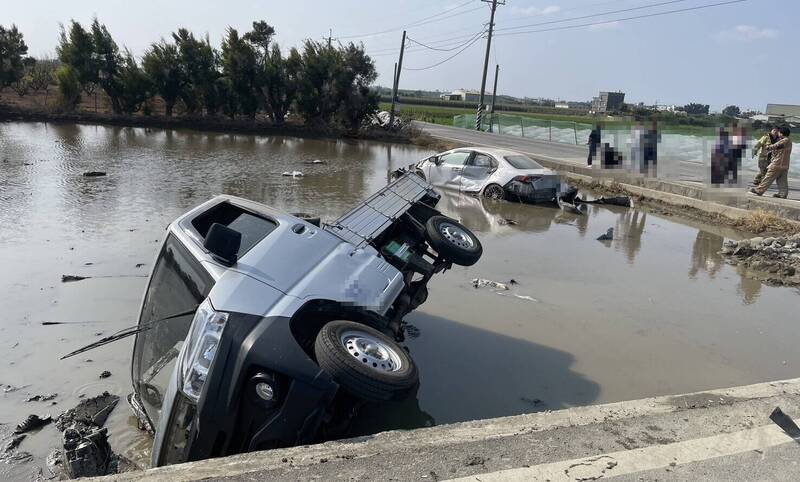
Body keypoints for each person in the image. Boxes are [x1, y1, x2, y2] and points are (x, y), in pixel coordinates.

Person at [750, 126, 792, 198]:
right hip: (784, 165)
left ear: (781, 133)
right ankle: (782, 194)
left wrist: (768, 147)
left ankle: (759, 190)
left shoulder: (784, 140)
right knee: (782, 180)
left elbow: (774, 146)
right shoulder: (788, 141)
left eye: (778, 132)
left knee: (768, 177)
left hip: (777, 163)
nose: (777, 133)